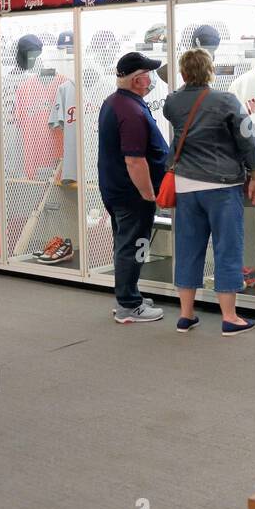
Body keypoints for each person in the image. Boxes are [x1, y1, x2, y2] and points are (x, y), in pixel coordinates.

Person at [163, 48, 255, 337]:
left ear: (182, 73)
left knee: (188, 247)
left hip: (185, 185)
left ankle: (186, 315)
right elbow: (247, 138)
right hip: (222, 185)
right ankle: (230, 317)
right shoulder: (226, 101)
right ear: (211, 71)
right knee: (227, 247)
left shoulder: (172, 103)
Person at [98, 51, 170, 324]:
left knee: (125, 243)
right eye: (148, 74)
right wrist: (149, 194)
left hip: (118, 190)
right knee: (134, 244)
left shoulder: (116, 103)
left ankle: (129, 293)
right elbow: (135, 160)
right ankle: (129, 304)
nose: (151, 79)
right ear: (139, 80)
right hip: (131, 194)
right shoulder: (130, 111)